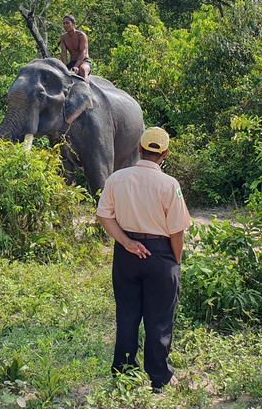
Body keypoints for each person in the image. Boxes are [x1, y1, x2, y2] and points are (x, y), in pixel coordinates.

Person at [96, 127, 190, 393]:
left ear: (139, 148)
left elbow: (104, 214)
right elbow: (177, 231)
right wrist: (176, 262)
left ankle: (124, 373)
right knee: (159, 318)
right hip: (160, 254)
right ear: (165, 154)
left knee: (127, 314)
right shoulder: (170, 184)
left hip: (127, 254)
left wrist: (126, 242)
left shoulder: (117, 178)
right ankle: (159, 378)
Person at [60, 14, 92, 81]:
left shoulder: (81, 36)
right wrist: (64, 67)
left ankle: (86, 89)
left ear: (73, 24)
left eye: (67, 23)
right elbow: (63, 53)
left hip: (84, 62)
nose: (65, 25)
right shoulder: (63, 37)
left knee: (82, 70)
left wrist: (76, 66)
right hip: (72, 62)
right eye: (64, 23)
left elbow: (83, 51)